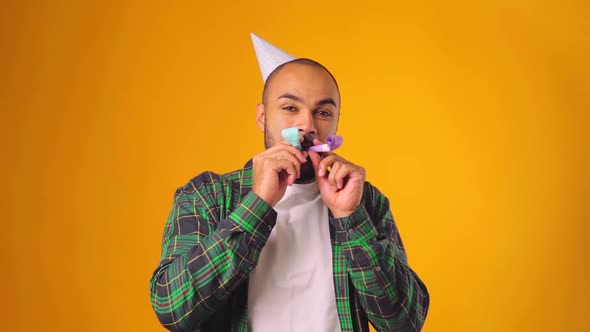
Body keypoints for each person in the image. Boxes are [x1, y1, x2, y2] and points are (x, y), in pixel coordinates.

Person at [149, 33, 429, 332]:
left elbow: (405, 323)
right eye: (290, 108)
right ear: (262, 116)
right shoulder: (208, 195)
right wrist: (257, 204)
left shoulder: (365, 201)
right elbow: (173, 309)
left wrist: (351, 217)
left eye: (322, 112)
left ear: (335, 124)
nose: (307, 125)